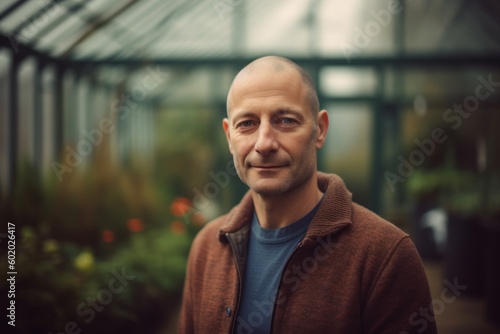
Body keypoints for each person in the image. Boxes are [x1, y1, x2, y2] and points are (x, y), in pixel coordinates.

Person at [177, 56, 437, 334]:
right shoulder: (206, 248)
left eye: (286, 120)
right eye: (247, 124)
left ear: (319, 130)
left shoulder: (385, 256)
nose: (264, 143)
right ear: (230, 137)